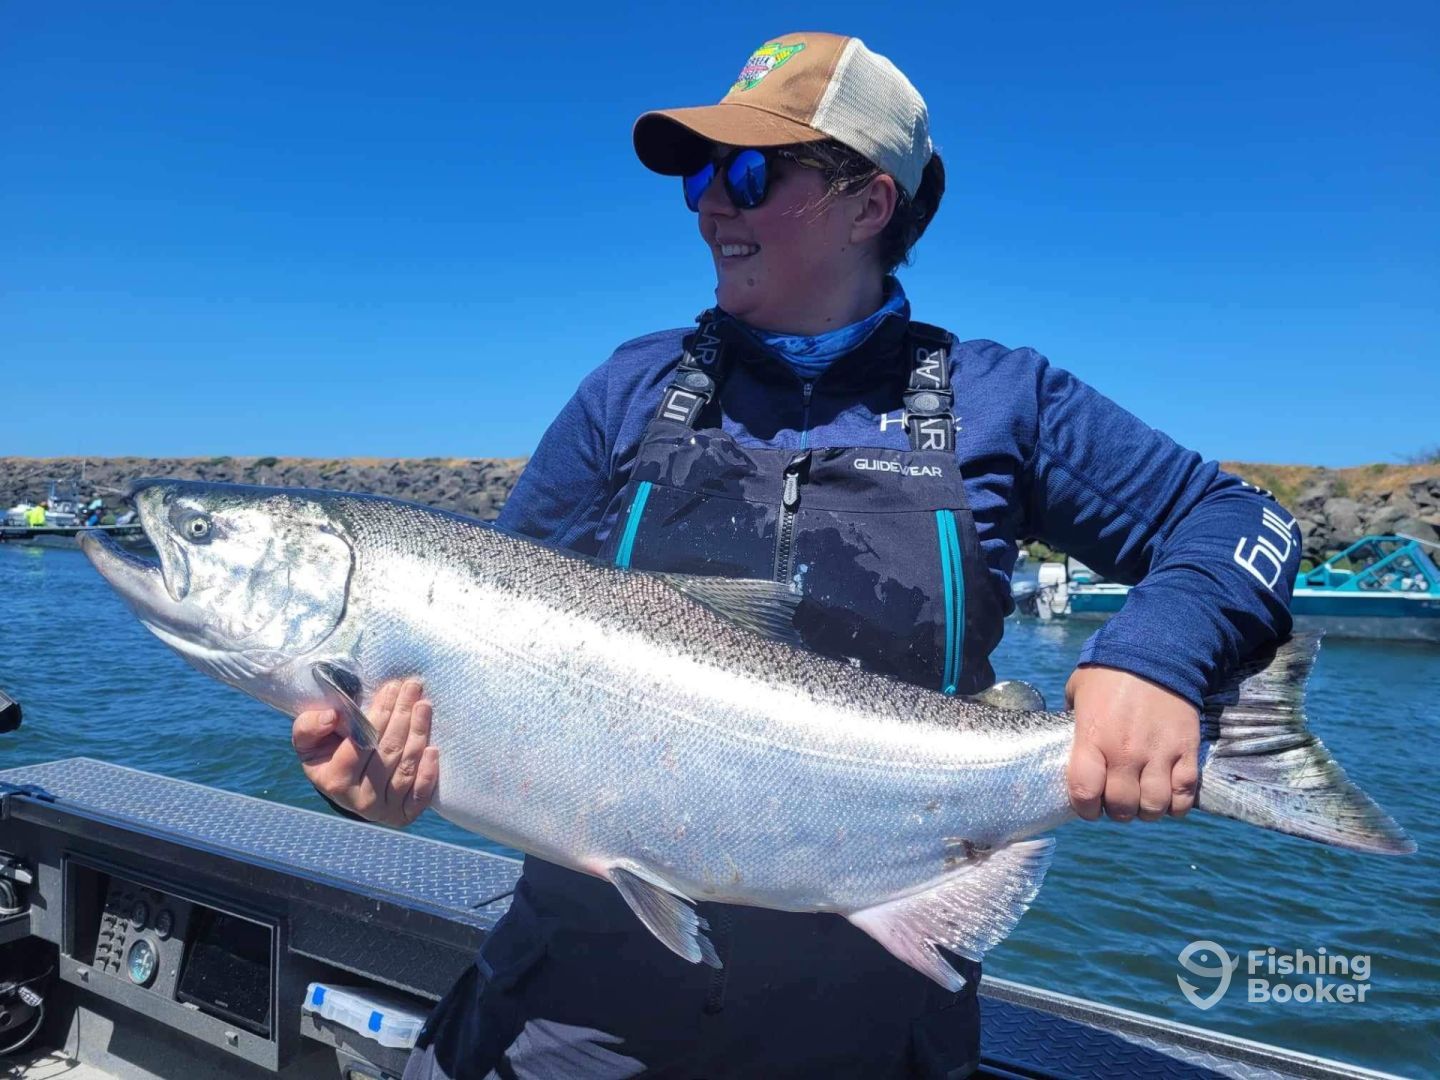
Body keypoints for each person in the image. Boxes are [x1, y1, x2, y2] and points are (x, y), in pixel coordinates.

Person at [291, 32, 1300, 1079]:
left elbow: (1239, 521)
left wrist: (1157, 658)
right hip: (572, 1020)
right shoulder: (627, 394)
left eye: (749, 172)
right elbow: (472, 651)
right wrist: (380, 768)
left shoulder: (1010, 402)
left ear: (870, 203)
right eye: (697, 175)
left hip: (870, 1029)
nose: (709, 206)